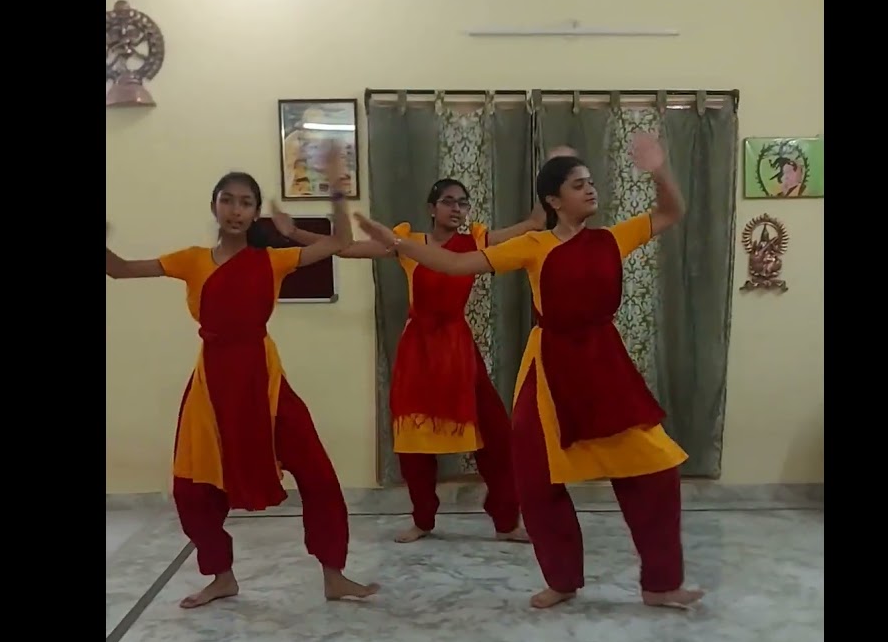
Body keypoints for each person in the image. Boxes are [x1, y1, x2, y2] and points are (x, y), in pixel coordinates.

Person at [352, 135, 705, 611]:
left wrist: (659, 169)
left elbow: (672, 211)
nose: (590, 189)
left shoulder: (612, 238)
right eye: (578, 185)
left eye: (591, 182)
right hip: (548, 367)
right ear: (554, 201)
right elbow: (455, 263)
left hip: (605, 365)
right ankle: (562, 580)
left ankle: (661, 584)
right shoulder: (533, 246)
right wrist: (396, 242)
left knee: (656, 470)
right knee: (538, 478)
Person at [105, 144, 379, 609]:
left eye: (246, 202)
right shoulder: (190, 259)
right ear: (214, 206)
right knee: (191, 488)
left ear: (255, 214)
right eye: (228, 200)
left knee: (317, 472)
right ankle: (222, 577)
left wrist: (337, 190)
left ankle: (334, 574)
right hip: (212, 383)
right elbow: (121, 270)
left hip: (264, 379)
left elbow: (338, 242)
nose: (236, 210)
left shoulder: (271, 260)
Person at [274, 179, 541, 544]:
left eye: (463, 203)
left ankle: (507, 521)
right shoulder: (406, 242)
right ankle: (423, 519)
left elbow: (529, 228)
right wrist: (293, 232)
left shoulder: (476, 242)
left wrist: (544, 194)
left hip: (459, 351)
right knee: (415, 443)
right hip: (418, 352)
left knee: (495, 435)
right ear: (432, 208)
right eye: (448, 201)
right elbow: (346, 248)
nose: (457, 209)